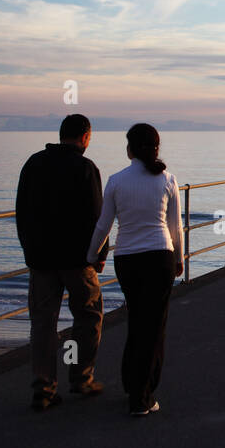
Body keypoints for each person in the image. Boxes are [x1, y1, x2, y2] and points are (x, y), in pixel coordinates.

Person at [87, 123, 184, 417]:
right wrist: (180, 259)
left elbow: (103, 225)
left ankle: (133, 383)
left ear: (129, 149)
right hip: (159, 258)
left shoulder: (116, 181)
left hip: (127, 259)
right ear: (156, 148)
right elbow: (175, 227)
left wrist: (91, 256)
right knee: (154, 327)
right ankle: (141, 397)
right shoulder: (167, 180)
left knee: (138, 320)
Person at [16, 113, 108, 411]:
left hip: (41, 260)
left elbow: (22, 213)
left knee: (43, 323)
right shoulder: (85, 168)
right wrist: (99, 256)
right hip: (77, 261)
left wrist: (29, 251)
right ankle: (81, 378)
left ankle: (43, 389)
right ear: (85, 137)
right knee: (89, 316)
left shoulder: (33, 164)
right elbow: (98, 217)